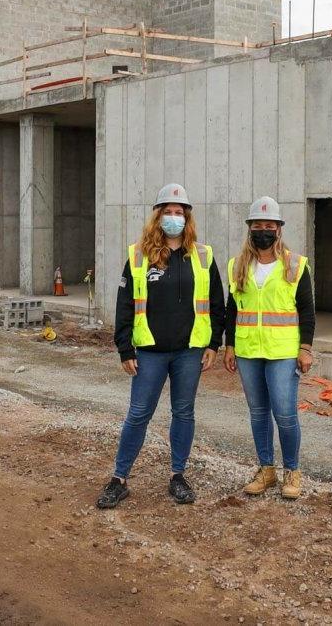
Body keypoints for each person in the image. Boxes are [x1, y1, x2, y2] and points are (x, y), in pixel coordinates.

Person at [96, 183, 225, 509]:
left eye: (178, 212)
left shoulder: (203, 255)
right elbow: (125, 302)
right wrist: (124, 347)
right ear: (158, 216)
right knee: (138, 414)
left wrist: (213, 344)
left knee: (183, 412)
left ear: (187, 217)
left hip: (189, 351)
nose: (173, 217)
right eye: (167, 212)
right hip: (150, 352)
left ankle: (178, 476)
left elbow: (217, 303)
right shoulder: (139, 255)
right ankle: (119, 479)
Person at [224, 197, 315, 500]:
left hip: (282, 352)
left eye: (269, 225)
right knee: (258, 413)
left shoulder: (295, 265)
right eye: (257, 225)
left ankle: (292, 471)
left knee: (285, 414)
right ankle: (266, 470)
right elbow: (231, 309)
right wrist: (229, 346)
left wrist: (306, 348)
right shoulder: (238, 266)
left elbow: (307, 310)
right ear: (250, 229)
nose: (263, 230)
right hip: (248, 351)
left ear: (278, 229)